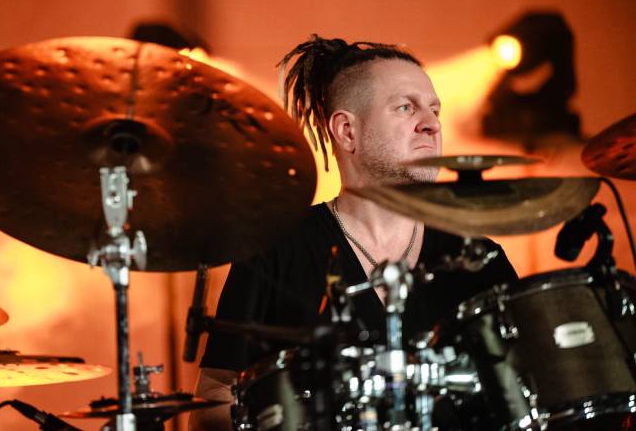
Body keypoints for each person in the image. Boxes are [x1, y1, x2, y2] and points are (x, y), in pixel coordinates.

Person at [189, 35, 518, 430]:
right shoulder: (274, 249)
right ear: (347, 131)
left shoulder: (478, 259)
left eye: (434, 110)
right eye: (405, 107)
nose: (431, 124)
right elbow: (211, 403)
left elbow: (533, 389)